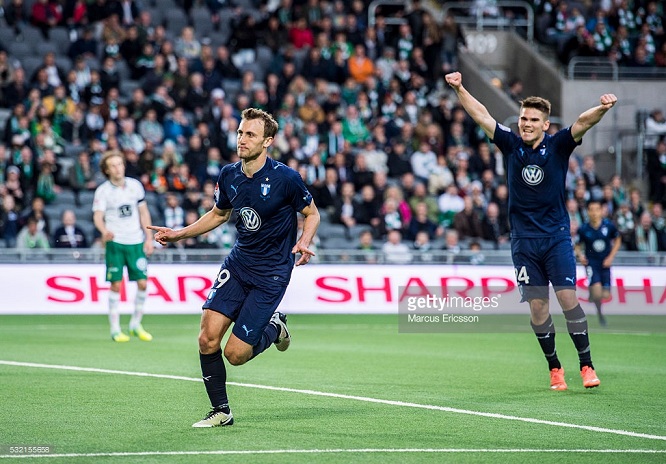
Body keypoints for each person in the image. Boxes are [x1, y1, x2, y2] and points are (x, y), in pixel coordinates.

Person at [148, 108, 320, 428]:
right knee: (206, 338)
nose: (242, 139)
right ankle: (221, 411)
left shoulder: (286, 178)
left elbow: (312, 214)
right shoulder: (229, 174)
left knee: (236, 354)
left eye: (250, 134)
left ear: (267, 141)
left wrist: (305, 240)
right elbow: (218, 214)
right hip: (239, 263)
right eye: (240, 132)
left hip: (271, 273)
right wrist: (179, 234)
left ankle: (276, 327)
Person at [445, 71, 617, 391]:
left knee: (568, 298)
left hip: (556, 237)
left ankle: (586, 364)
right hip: (524, 241)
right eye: (523, 118)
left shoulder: (559, 145)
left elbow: (582, 122)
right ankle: (555, 368)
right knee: (538, 307)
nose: (525, 123)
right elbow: (481, 114)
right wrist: (459, 88)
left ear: (544, 125)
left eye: (532, 120)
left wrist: (603, 108)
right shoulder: (511, 145)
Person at [92, 151, 154, 343]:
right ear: (107, 170)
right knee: (116, 284)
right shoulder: (103, 191)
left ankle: (135, 324)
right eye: (113, 165)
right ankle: (115, 329)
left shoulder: (135, 186)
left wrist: (149, 237)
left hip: (135, 241)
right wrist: (104, 231)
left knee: (143, 283)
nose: (118, 168)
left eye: (120, 164)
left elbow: (144, 213)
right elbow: (97, 216)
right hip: (116, 242)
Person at [575, 199, 621, 326]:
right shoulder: (584, 228)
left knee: (605, 295)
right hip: (592, 263)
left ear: (601, 211)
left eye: (597, 209)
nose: (594, 213)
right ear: (588, 212)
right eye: (591, 210)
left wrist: (611, 257)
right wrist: (581, 256)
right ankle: (600, 315)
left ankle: (593, 294)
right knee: (597, 292)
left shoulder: (608, 226)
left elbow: (617, 240)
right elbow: (577, 245)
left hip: (605, 263)